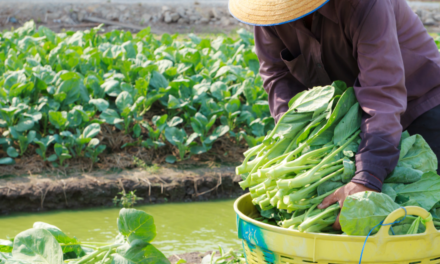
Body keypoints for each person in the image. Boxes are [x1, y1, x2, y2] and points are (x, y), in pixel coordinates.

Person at [229, 0, 440, 230]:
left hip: (420, 104)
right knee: (356, 225)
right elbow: (278, 76)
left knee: (421, 220)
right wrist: (294, 142)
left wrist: (366, 179)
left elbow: (382, 94)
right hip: (351, 119)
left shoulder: (366, 5)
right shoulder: (270, 10)